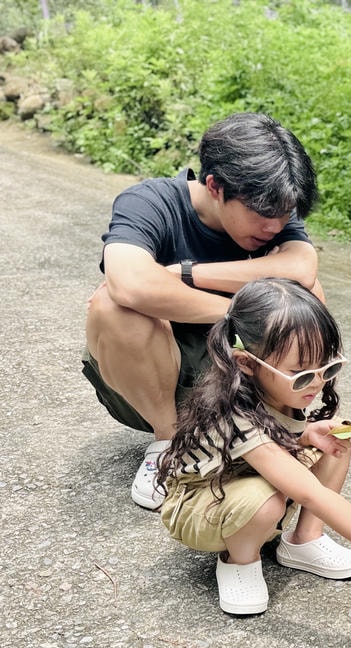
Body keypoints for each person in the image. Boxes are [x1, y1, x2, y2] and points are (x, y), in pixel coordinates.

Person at [155, 278, 351, 616]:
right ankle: (239, 561)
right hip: (200, 507)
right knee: (263, 502)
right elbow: (309, 492)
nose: (318, 382)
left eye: (328, 367)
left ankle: (305, 539)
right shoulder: (237, 417)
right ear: (247, 364)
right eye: (302, 375)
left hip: (241, 477)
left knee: (337, 438)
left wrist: (305, 434)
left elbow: (275, 439)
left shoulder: (279, 389)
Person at [83, 111, 323, 511]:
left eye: (285, 217)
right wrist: (238, 312)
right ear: (215, 186)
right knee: (111, 304)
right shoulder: (151, 201)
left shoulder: (275, 212)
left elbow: (301, 267)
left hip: (242, 374)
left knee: (309, 291)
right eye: (263, 216)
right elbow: (130, 281)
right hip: (157, 380)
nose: (274, 228)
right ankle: (169, 445)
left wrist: (188, 273)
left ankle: (281, 426)